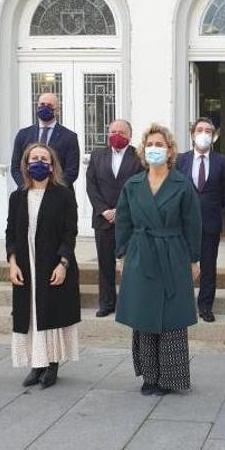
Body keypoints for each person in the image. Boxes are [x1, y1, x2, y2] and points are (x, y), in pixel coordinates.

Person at [114, 124, 202, 395]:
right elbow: (124, 222)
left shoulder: (182, 184)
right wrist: (121, 254)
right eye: (150, 145)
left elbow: (193, 224)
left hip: (173, 253)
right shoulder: (133, 184)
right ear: (143, 150)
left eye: (159, 145)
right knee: (143, 313)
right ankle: (149, 376)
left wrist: (194, 260)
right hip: (141, 253)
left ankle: (171, 378)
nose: (154, 149)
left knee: (171, 314)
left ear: (170, 150)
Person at [6, 143, 80, 388]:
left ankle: (52, 365)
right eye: (34, 158)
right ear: (26, 164)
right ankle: (36, 365)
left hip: (51, 263)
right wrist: (12, 262)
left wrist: (63, 263)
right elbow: (10, 233)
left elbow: (70, 232)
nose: (39, 162)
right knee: (31, 315)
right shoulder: (17, 196)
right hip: (26, 264)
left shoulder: (64, 194)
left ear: (52, 164)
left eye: (44, 158)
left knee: (50, 313)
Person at [85, 119, 142, 317]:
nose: (116, 135)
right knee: (105, 264)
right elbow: (91, 185)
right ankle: (107, 303)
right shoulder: (97, 155)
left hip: (129, 220)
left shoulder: (139, 157)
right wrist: (104, 210)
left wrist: (121, 210)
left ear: (129, 135)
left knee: (131, 264)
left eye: (121, 132)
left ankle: (131, 303)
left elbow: (140, 187)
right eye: (113, 131)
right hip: (103, 220)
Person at [176, 117, 225, 322]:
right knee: (182, 265)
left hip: (210, 222)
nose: (204, 133)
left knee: (208, 266)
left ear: (214, 136)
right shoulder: (180, 160)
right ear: (192, 134)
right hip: (182, 224)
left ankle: (206, 306)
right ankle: (182, 304)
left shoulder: (222, 161)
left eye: (208, 130)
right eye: (200, 129)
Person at [11, 93, 80, 189]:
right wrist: (28, 186)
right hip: (27, 192)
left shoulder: (69, 137)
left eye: (50, 105)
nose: (45, 108)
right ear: (37, 107)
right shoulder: (23, 134)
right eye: (42, 105)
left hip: (59, 195)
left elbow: (71, 171)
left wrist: (51, 190)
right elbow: (15, 168)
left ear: (58, 111)